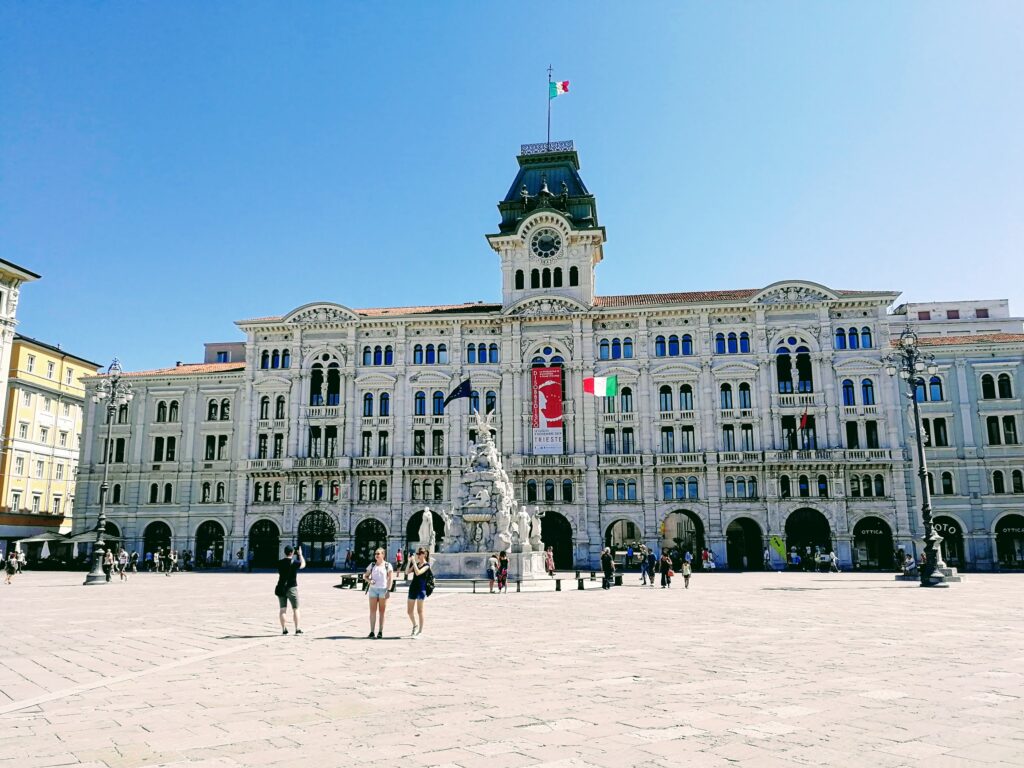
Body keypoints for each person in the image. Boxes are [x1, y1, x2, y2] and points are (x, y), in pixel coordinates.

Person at [363, 547, 393, 638]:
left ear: (383, 555)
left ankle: (380, 631)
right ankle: (372, 631)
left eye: (378, 553)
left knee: (382, 611)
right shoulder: (372, 565)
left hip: (383, 590)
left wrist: (388, 590)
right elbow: (365, 576)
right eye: (376, 553)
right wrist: (369, 581)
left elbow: (390, 578)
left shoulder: (388, 565)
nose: (376, 555)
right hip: (373, 590)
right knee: (372, 611)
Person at [276, 545, 305, 635]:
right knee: (296, 609)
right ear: (292, 553)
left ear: (284, 552)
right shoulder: (295, 562)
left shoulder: (279, 563)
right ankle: (297, 629)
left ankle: (284, 629)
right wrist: (300, 555)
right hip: (292, 588)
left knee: (282, 609)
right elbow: (303, 565)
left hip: (281, 587)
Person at [406, 547, 431, 637]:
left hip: (421, 589)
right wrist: (409, 561)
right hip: (413, 588)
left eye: (420, 553)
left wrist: (413, 562)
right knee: (409, 611)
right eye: (418, 553)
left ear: (424, 554)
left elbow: (418, 572)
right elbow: (406, 572)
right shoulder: (416, 563)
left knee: (420, 611)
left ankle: (420, 630)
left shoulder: (427, 565)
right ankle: (415, 625)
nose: (418, 555)